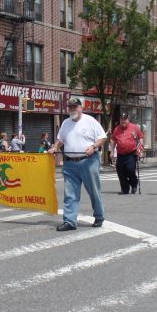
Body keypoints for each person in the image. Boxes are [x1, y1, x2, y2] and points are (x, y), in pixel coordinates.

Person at [48, 97, 107, 231]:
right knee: (70, 193)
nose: (73, 109)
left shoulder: (90, 121)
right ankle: (70, 221)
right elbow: (60, 140)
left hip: (89, 161)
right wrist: (55, 147)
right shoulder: (65, 123)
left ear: (81, 108)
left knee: (93, 191)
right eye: (70, 107)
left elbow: (102, 137)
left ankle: (99, 216)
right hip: (69, 163)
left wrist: (93, 146)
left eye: (75, 107)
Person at [110, 113, 143, 195]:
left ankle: (134, 184)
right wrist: (111, 151)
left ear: (128, 119)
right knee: (120, 171)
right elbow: (113, 140)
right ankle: (125, 189)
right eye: (121, 119)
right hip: (120, 154)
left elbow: (141, 137)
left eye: (125, 119)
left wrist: (140, 148)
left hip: (131, 153)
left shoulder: (135, 127)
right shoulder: (117, 129)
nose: (123, 121)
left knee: (130, 170)